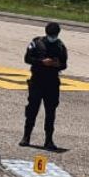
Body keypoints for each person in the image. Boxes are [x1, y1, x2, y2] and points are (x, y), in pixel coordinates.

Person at [20, 22, 67, 151]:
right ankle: (26, 136)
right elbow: (27, 58)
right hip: (37, 81)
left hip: (52, 83)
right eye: (51, 35)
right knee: (32, 109)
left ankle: (49, 140)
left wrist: (57, 64)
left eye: (55, 35)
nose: (53, 37)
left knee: (51, 112)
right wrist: (42, 62)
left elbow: (64, 64)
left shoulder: (60, 46)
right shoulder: (37, 42)